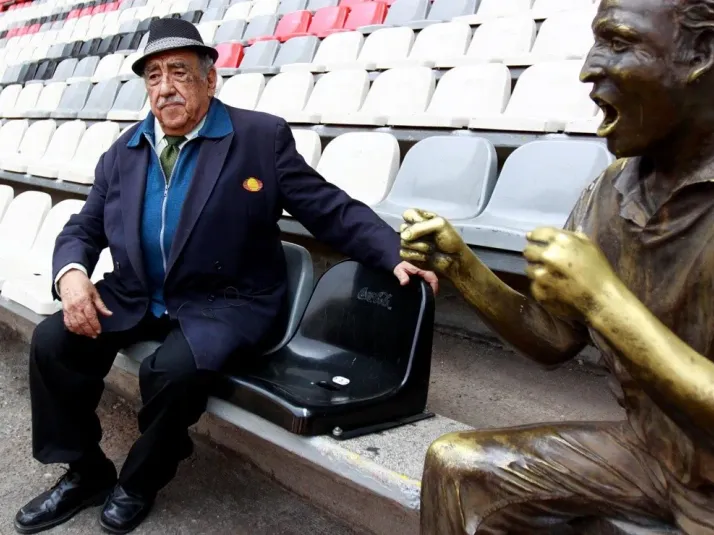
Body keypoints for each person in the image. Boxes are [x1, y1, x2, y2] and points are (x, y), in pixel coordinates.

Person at [14, 18, 437, 535]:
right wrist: (73, 275)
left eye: (178, 72)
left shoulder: (259, 138)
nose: (164, 86)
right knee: (53, 342)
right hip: (137, 292)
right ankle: (85, 472)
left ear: (210, 80)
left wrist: (390, 250)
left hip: (225, 300)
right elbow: (85, 225)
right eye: (153, 76)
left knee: (172, 373)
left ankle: (139, 481)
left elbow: (326, 207)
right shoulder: (122, 153)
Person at [399, 0, 714, 533]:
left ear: (701, 54)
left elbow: (599, 307)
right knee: (457, 467)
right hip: (654, 452)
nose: (590, 67)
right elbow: (554, 339)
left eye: (618, 42)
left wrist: (604, 300)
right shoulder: (612, 190)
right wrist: (464, 269)